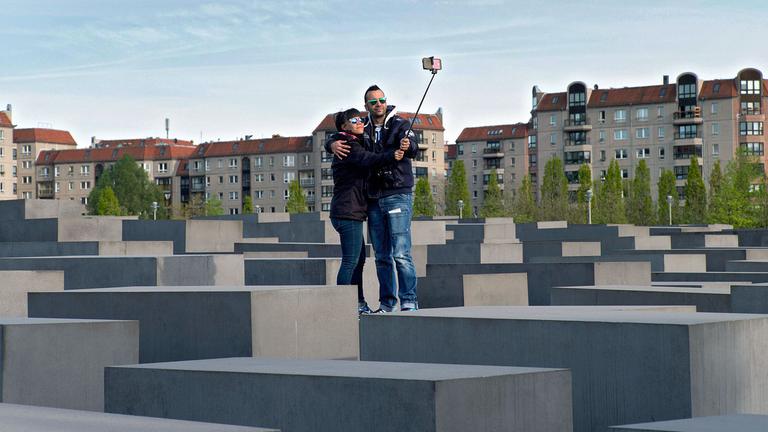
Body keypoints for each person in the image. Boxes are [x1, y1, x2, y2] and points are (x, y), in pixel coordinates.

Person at [327, 85, 419, 312]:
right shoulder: (362, 125)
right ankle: (387, 303)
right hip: (374, 199)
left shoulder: (400, 123)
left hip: (397, 194)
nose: (379, 104)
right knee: (381, 256)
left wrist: (407, 147)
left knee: (401, 254)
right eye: (373, 102)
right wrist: (331, 144)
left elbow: (414, 147)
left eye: (382, 100)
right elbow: (342, 135)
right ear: (366, 105)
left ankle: (408, 300)